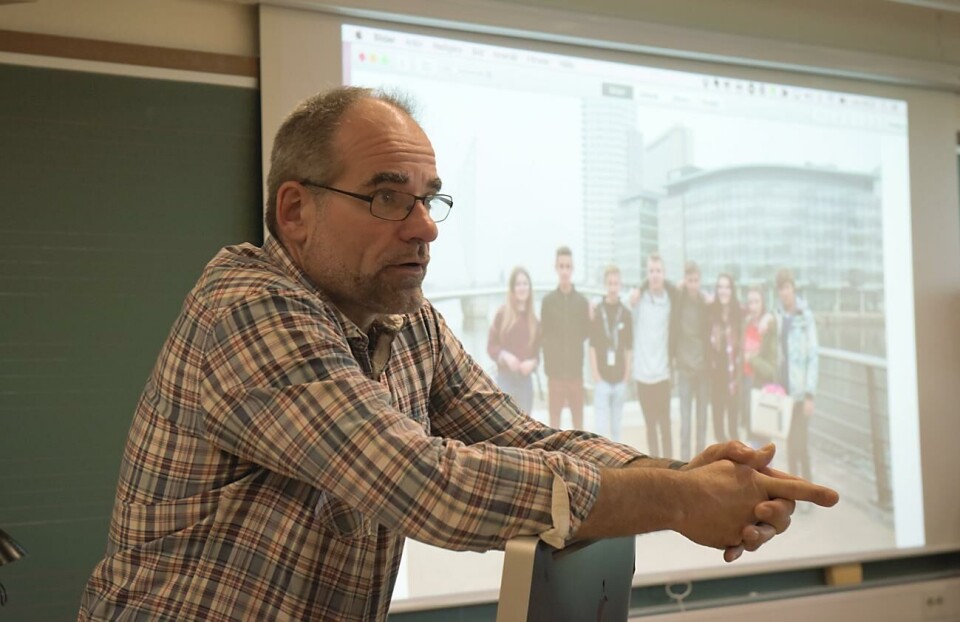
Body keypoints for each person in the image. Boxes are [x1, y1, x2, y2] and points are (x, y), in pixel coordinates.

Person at [78, 87, 837, 622]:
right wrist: (678, 500)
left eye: (429, 197)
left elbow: (521, 439)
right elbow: (426, 484)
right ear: (296, 210)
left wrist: (686, 476)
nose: (425, 227)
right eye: (387, 197)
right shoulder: (246, 308)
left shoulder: (406, 320)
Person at [774, 269, 819, 481]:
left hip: (801, 392)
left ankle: (807, 486)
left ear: (793, 288)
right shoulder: (777, 316)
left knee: (802, 445)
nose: (784, 292)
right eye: (781, 288)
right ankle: (793, 488)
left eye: (787, 287)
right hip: (783, 392)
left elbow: (813, 356)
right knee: (790, 445)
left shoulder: (805, 316)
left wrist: (810, 394)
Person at [629, 253, 676, 457]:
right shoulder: (637, 300)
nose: (655, 275)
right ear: (646, 274)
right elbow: (618, 303)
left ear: (664, 274)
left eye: (658, 271)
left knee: (665, 426)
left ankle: (671, 467)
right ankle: (656, 465)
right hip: (642, 376)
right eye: (651, 271)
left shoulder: (671, 300)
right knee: (650, 427)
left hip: (663, 374)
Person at [540, 246, 590, 429]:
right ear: (556, 268)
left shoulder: (582, 302)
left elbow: (585, 334)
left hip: (576, 374)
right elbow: (544, 336)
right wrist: (549, 369)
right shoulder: (548, 302)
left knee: (578, 426)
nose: (564, 271)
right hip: (555, 376)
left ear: (572, 269)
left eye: (568, 266)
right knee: (554, 426)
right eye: (561, 266)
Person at [671, 261, 711, 461]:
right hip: (684, 369)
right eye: (689, 280)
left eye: (696, 280)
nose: (693, 284)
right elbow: (658, 284)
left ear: (700, 281)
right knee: (685, 423)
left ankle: (701, 462)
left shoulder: (705, 303)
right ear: (684, 280)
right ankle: (685, 463)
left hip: (703, 370)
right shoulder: (678, 300)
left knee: (701, 422)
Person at [488, 266, 541, 413]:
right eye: (518, 284)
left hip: (525, 383)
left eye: (525, 284)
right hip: (505, 380)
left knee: (525, 423)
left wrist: (532, 363)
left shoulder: (534, 321)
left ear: (529, 288)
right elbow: (491, 346)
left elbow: (537, 355)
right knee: (505, 422)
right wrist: (505, 356)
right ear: (512, 288)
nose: (522, 288)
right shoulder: (502, 314)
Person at [589, 265, 632, 442]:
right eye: (610, 283)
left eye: (616, 283)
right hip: (602, 378)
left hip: (620, 378)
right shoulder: (597, 311)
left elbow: (629, 348)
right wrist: (596, 374)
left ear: (620, 285)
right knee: (600, 429)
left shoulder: (626, 313)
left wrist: (627, 375)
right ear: (605, 285)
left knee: (616, 429)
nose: (613, 287)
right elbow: (592, 345)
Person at [708, 273, 743, 444]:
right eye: (720, 287)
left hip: (734, 379)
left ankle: (736, 460)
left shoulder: (739, 314)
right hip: (717, 379)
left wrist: (768, 320)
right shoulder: (711, 313)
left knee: (734, 429)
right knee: (719, 430)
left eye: (727, 287)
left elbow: (757, 315)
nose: (723, 291)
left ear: (732, 290)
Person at [741, 285, 778, 442]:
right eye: (750, 302)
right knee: (749, 435)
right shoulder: (746, 324)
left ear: (763, 303)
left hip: (761, 388)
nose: (753, 306)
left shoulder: (769, 328)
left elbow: (771, 369)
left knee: (762, 440)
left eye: (757, 302)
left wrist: (751, 359)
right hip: (745, 385)